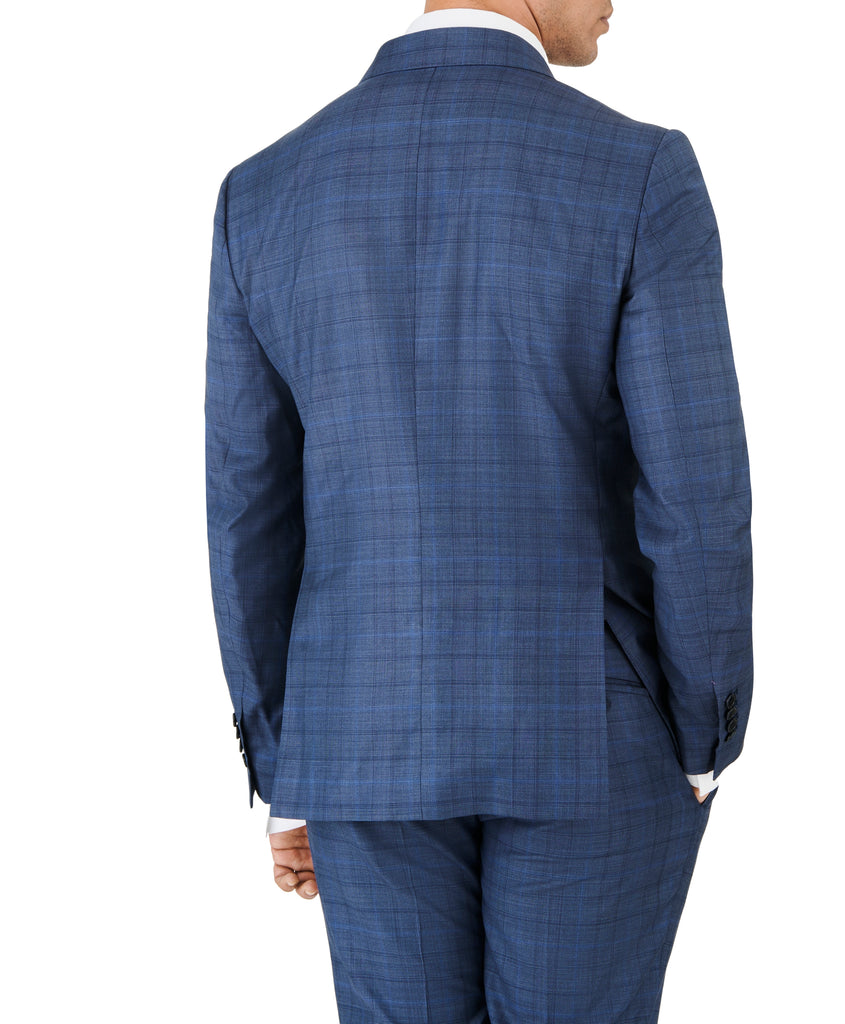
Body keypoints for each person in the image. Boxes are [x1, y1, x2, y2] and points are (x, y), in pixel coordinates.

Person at [205, 2, 753, 1019]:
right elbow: (696, 493)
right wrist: (706, 735)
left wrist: (289, 764)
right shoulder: (638, 172)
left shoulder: (267, 189)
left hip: (358, 733)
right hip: (595, 731)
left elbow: (248, 509)